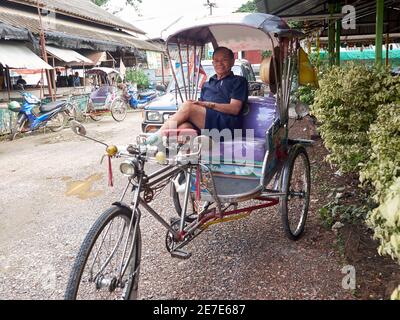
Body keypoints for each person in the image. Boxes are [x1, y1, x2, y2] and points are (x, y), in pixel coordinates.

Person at [146, 46, 248, 145]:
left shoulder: (239, 81)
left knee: (189, 106)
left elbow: (234, 109)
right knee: (183, 128)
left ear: (232, 62)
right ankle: (184, 157)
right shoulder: (207, 84)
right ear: (213, 63)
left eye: (224, 60)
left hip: (227, 126)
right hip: (208, 126)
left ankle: (158, 135)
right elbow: (201, 110)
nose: (220, 63)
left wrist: (209, 105)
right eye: (216, 61)